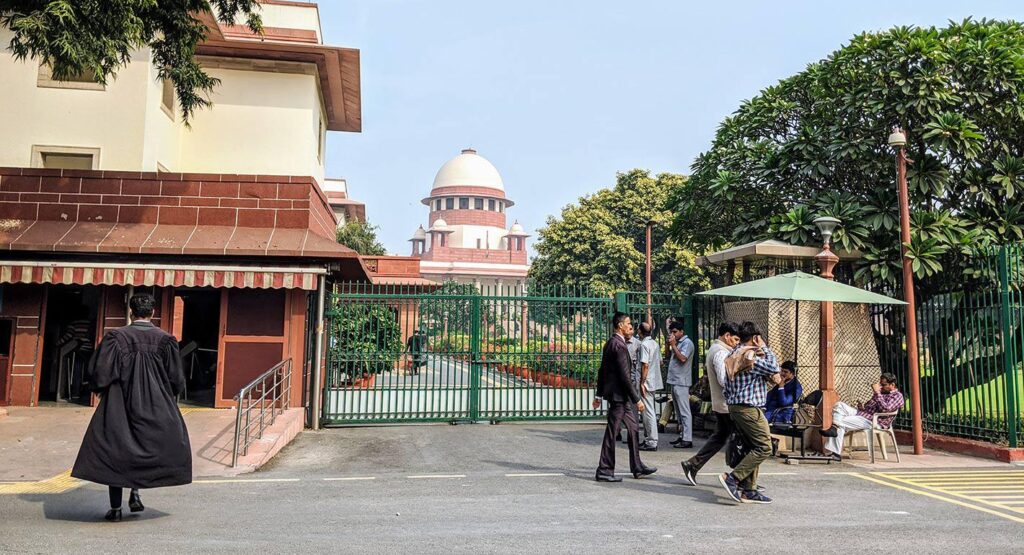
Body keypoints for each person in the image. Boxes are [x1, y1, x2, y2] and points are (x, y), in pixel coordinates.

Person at [71, 293, 192, 521]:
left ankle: (115, 509)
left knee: (115, 451)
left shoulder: (115, 338)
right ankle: (135, 493)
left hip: (119, 401)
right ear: (153, 313)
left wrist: (100, 390)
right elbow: (176, 378)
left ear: (130, 312)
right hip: (155, 403)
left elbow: (100, 372)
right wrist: (167, 397)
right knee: (144, 447)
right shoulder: (167, 341)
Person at [718, 321, 781, 505]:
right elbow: (773, 368)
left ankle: (749, 490)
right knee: (764, 446)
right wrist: (765, 348)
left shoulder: (733, 353)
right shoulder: (749, 356)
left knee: (751, 447)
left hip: (736, 406)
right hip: (749, 408)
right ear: (755, 338)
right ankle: (733, 478)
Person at [593, 312, 656, 482]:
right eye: (628, 323)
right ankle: (605, 470)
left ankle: (637, 466)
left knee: (634, 429)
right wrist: (637, 399)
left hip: (621, 397)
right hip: (619, 397)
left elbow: (602, 371)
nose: (631, 326)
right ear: (620, 325)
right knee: (612, 433)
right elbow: (624, 376)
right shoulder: (618, 346)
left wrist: (598, 395)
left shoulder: (611, 344)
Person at [680, 322, 740, 486]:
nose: (736, 343)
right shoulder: (720, 352)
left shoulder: (718, 349)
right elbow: (723, 379)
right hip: (727, 404)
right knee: (743, 439)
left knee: (720, 437)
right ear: (727, 336)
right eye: (735, 339)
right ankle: (742, 478)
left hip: (721, 404)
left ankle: (693, 464)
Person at [823, 373, 905, 460]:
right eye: (880, 384)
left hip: (874, 420)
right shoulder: (881, 393)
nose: (881, 387)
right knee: (839, 405)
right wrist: (862, 407)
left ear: (892, 385)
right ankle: (834, 428)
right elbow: (869, 406)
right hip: (863, 414)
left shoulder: (897, 396)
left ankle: (835, 451)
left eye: (884, 385)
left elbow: (886, 408)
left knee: (840, 422)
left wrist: (877, 392)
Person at [665, 319, 695, 449]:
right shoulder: (676, 343)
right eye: (672, 332)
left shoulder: (687, 343)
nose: (673, 334)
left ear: (682, 331)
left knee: (684, 411)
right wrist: (670, 344)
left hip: (682, 381)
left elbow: (683, 358)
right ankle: (683, 435)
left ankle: (687, 438)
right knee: (678, 411)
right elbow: (668, 356)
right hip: (674, 380)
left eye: (675, 332)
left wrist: (673, 345)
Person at [636, 322, 664, 451]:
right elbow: (661, 362)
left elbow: (645, 365)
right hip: (653, 380)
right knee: (648, 410)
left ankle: (651, 441)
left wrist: (642, 382)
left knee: (648, 412)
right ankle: (648, 438)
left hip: (646, 381)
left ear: (640, 332)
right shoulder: (655, 344)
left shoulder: (644, 345)